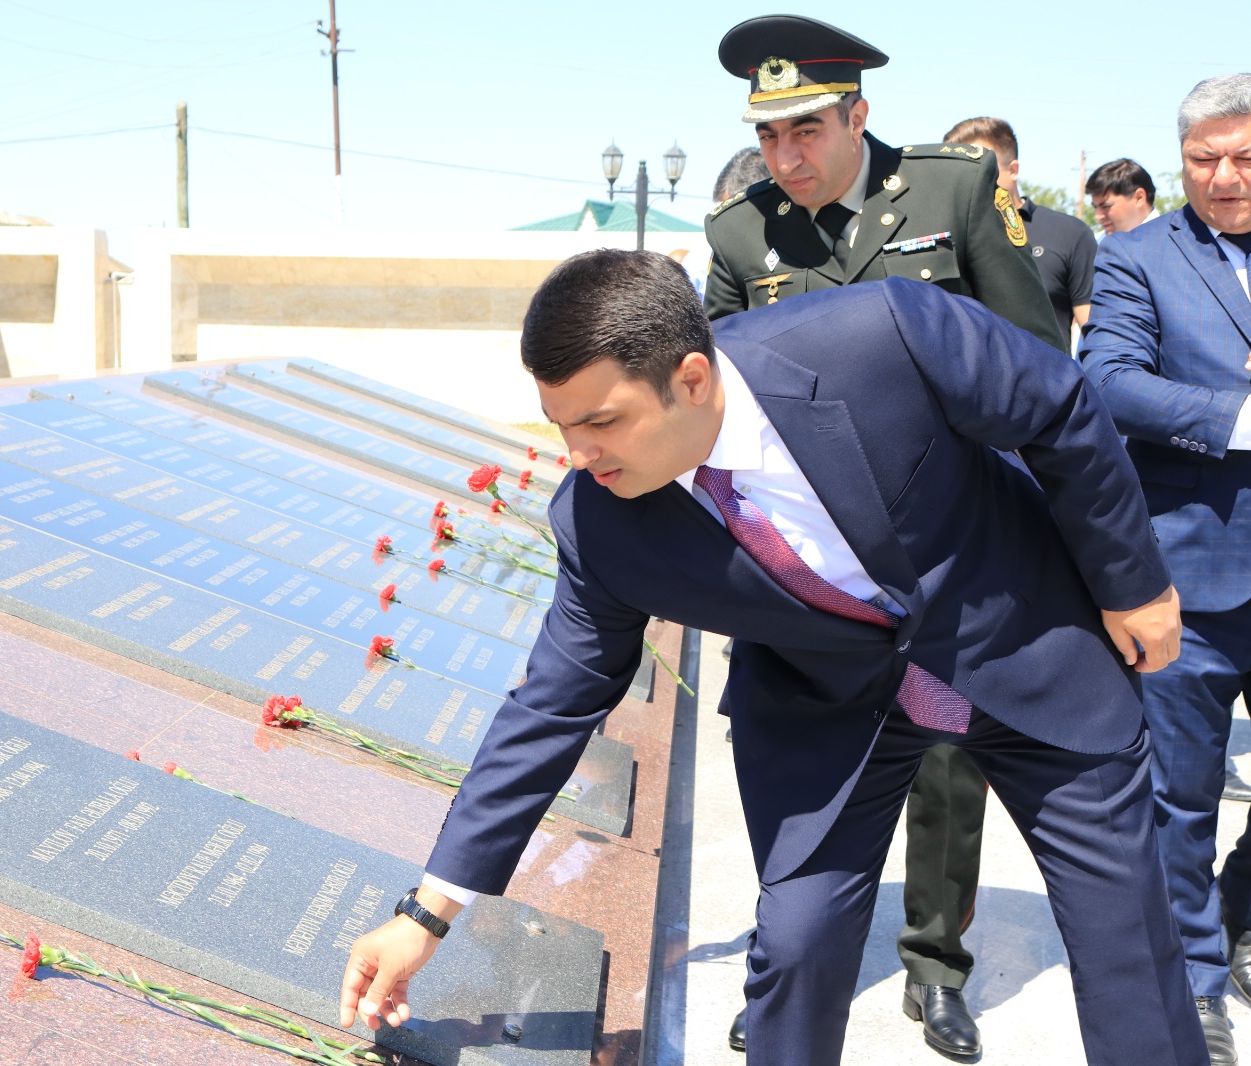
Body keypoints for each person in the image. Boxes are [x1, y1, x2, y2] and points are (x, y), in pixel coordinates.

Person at [337, 249, 1202, 1066]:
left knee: (1128, 936)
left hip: (1026, 646)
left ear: (692, 379)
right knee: (796, 948)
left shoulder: (882, 335)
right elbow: (554, 704)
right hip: (831, 711)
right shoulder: (597, 523)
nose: (579, 455)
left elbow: (1057, 406)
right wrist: (428, 913)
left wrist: (1135, 584)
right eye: (562, 426)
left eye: (602, 422)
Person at [699, 16, 1062, 1058]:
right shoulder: (739, 238)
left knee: (947, 766)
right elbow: (714, 406)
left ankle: (935, 967)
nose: (785, 157)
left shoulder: (950, 193)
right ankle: (790, 967)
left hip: (949, 560)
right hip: (803, 575)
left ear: (858, 115)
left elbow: (1037, 372)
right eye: (767, 138)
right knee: (792, 769)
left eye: (806, 130)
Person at [1081, 73, 1251, 1066]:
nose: (1223, 178)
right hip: (1188, 581)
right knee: (1177, 797)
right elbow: (1104, 380)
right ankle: (1193, 979)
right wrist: (1233, 421)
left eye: (1242, 159)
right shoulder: (1139, 255)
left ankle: (1241, 905)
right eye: (1203, 161)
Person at [947, 116, 1097, 354]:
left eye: (976, 169)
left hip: (1046, 382)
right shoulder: (944, 239)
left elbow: (1093, 330)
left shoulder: (1069, 233)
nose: (967, 181)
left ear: (1013, 169)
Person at [1087, 157, 1161, 235]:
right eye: (1095, 207)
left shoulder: (1171, 242)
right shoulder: (1096, 243)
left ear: (1139, 198)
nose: (1098, 217)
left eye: (1106, 206)